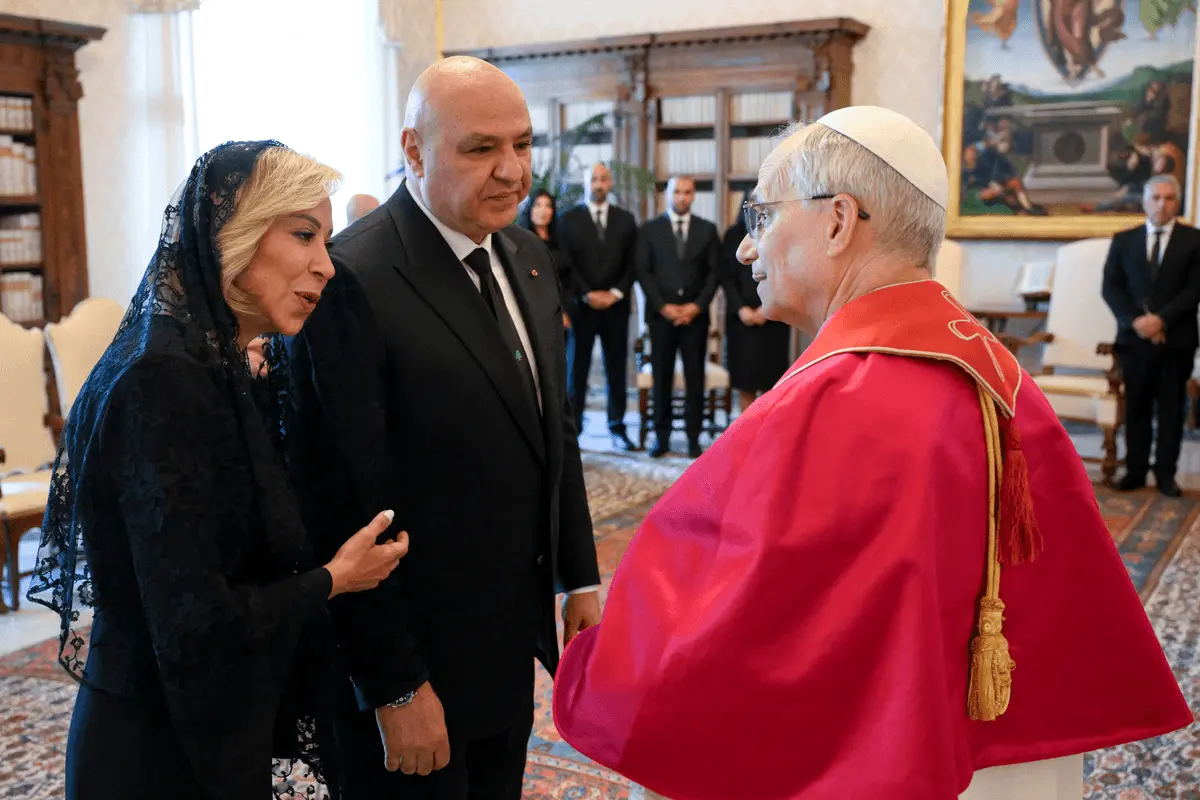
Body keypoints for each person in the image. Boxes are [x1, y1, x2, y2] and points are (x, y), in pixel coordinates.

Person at [552, 106, 1192, 799]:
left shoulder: (829, 398)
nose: (745, 250)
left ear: (837, 221)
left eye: (762, 216)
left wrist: (601, 664)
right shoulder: (1004, 377)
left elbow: (723, 629)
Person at [26, 140, 411, 799]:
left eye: (327, 242)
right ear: (234, 236)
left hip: (211, 726)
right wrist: (334, 578)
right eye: (303, 236)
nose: (326, 266)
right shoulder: (163, 379)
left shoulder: (214, 364)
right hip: (156, 750)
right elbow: (193, 620)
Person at [290, 56, 602, 799]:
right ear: (415, 150)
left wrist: (579, 574)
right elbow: (341, 505)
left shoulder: (526, 254)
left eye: (522, 144)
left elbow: (550, 427)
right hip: (415, 665)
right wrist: (394, 686)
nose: (512, 170)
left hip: (506, 644)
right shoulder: (353, 278)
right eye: (481, 148)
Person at [1102, 173, 1200, 497]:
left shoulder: (1194, 240)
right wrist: (1136, 322)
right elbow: (1111, 287)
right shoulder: (1123, 240)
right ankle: (1135, 470)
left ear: (1177, 203)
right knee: (1137, 407)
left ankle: (1166, 475)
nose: (1162, 204)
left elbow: (1194, 289)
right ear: (1144, 201)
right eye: (1155, 197)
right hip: (1134, 340)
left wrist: (1162, 320)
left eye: (1169, 198)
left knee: (1172, 409)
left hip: (1177, 339)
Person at [556, 163, 640, 450]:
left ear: (610, 182)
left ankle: (617, 427)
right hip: (582, 307)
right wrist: (587, 293)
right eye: (593, 179)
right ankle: (574, 429)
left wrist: (615, 292)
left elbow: (634, 262)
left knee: (616, 369)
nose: (599, 184)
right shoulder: (567, 220)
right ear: (585, 182)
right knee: (576, 371)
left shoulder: (626, 220)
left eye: (603, 179)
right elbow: (567, 263)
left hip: (616, 306)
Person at [636, 175, 720, 458]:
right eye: (677, 192)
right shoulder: (650, 229)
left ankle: (693, 437)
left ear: (693, 195)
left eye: (687, 192)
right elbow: (643, 272)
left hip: (695, 318)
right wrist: (663, 306)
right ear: (668, 194)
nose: (681, 197)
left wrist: (696, 306)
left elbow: (714, 274)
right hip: (661, 317)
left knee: (695, 377)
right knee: (661, 377)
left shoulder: (707, 230)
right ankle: (661, 437)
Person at [720, 187, 792, 413]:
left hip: (773, 317)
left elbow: (787, 269)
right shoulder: (733, 235)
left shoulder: (780, 231)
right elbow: (725, 276)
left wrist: (767, 308)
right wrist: (741, 309)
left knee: (773, 384)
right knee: (745, 382)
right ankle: (746, 431)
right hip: (741, 320)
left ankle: (769, 433)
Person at [518, 188, 574, 340]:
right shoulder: (519, 243)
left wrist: (565, 311)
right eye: (538, 205)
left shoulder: (561, 241)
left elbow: (569, 280)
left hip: (561, 317)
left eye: (548, 206)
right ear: (530, 209)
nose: (543, 210)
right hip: (531, 317)